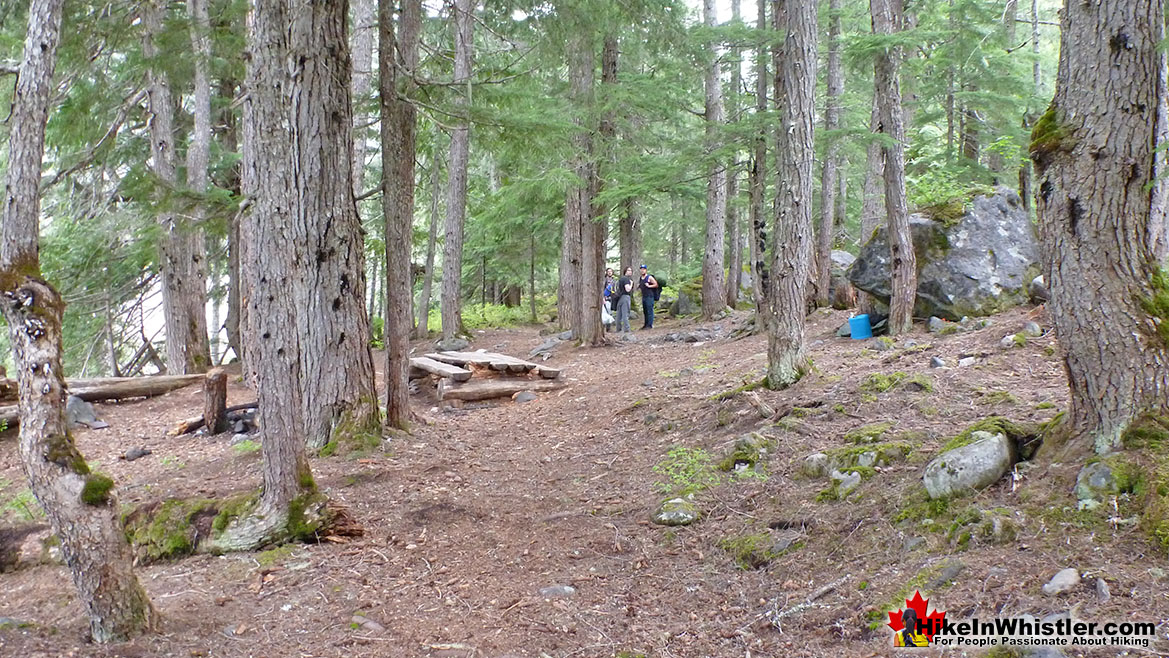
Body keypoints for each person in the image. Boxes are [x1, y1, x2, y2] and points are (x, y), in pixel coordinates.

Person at [638, 264, 658, 329]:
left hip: (649, 296)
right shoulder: (641, 278)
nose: (642, 270)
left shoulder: (649, 277)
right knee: (645, 311)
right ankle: (646, 324)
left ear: (646, 270)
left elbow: (656, 284)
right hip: (644, 296)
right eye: (641, 269)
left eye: (644, 269)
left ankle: (650, 325)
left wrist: (649, 286)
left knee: (650, 310)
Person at [614, 267, 634, 333]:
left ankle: (618, 329)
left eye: (631, 270)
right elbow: (627, 289)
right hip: (625, 297)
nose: (630, 272)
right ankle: (626, 329)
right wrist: (631, 284)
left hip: (620, 297)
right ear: (625, 271)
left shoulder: (621, 279)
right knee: (625, 313)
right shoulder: (626, 279)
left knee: (619, 314)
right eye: (628, 270)